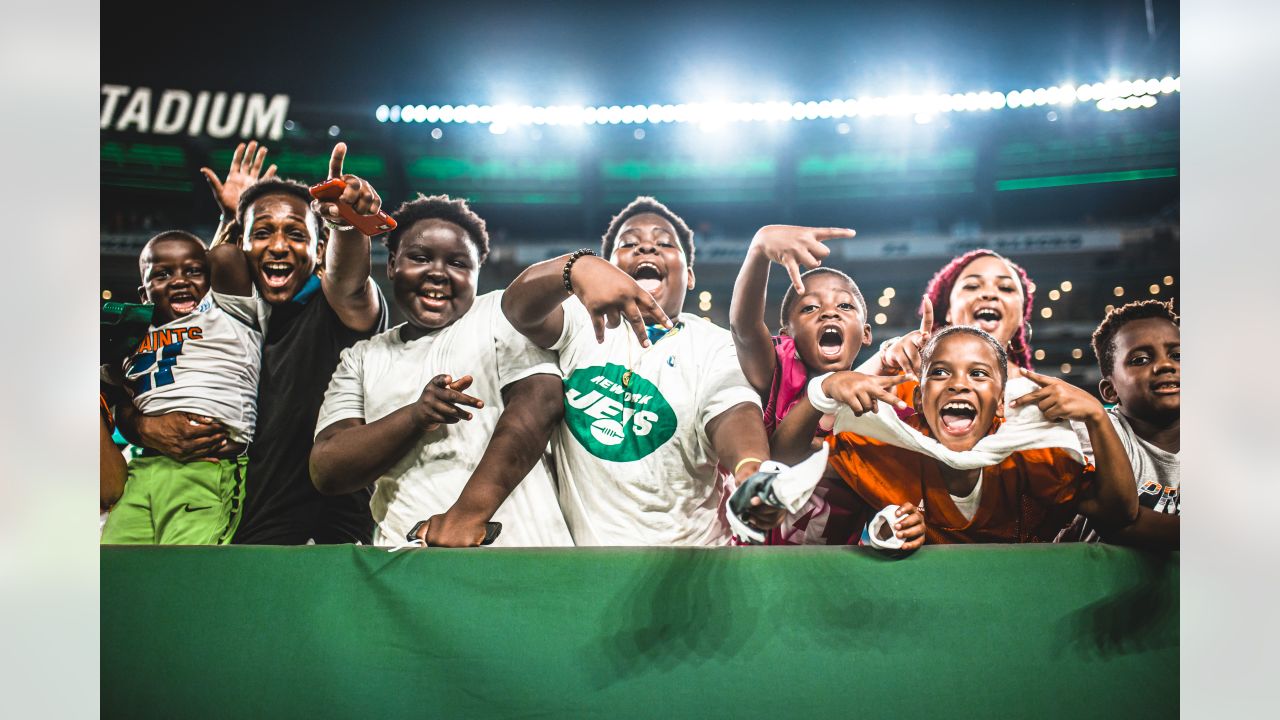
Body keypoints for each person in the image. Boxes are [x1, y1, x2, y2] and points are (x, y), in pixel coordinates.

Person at [117, 142, 388, 544]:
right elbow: (195, 310)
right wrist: (138, 424)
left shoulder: (333, 308)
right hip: (239, 527)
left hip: (327, 537)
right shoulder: (230, 324)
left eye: (295, 234)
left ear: (317, 252)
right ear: (241, 247)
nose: (278, 246)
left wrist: (345, 225)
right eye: (262, 233)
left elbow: (349, 281)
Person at [502, 196, 782, 545]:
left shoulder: (714, 344)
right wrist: (575, 268)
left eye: (665, 243)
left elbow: (732, 411)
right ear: (607, 269)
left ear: (690, 276)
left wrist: (749, 468)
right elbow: (518, 309)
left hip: (691, 565)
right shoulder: (580, 323)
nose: (647, 246)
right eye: (629, 243)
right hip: (592, 572)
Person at [309, 195, 572, 547]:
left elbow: (541, 404)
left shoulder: (499, 312)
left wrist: (467, 514)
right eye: (419, 258)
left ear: (478, 273)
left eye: (458, 263)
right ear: (390, 266)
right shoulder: (362, 357)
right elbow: (327, 469)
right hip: (405, 560)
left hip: (524, 553)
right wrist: (416, 416)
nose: (437, 272)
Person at [774, 325, 1145, 545]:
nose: (958, 385)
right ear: (919, 398)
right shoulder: (890, 447)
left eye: (978, 374)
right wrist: (822, 389)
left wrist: (1096, 416)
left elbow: (1118, 513)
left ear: (1001, 404)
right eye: (939, 373)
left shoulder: (1032, 453)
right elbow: (784, 458)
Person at [102, 230, 263, 544]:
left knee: (184, 572)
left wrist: (230, 218)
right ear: (143, 294)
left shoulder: (225, 319)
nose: (179, 280)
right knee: (115, 569)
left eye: (193, 271)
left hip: (207, 468)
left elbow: (225, 258)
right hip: (143, 466)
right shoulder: (133, 339)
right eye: (162, 274)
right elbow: (119, 398)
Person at [728, 224, 881, 545]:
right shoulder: (779, 371)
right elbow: (743, 328)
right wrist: (759, 251)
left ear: (866, 333)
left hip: (829, 577)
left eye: (845, 306)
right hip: (754, 566)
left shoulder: (884, 408)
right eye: (810, 307)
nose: (829, 314)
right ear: (786, 333)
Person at [1057, 300, 1180, 548]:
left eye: (1178, 355)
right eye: (1140, 359)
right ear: (1110, 390)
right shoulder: (1092, 430)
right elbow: (1120, 524)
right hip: (1089, 584)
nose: (1166, 365)